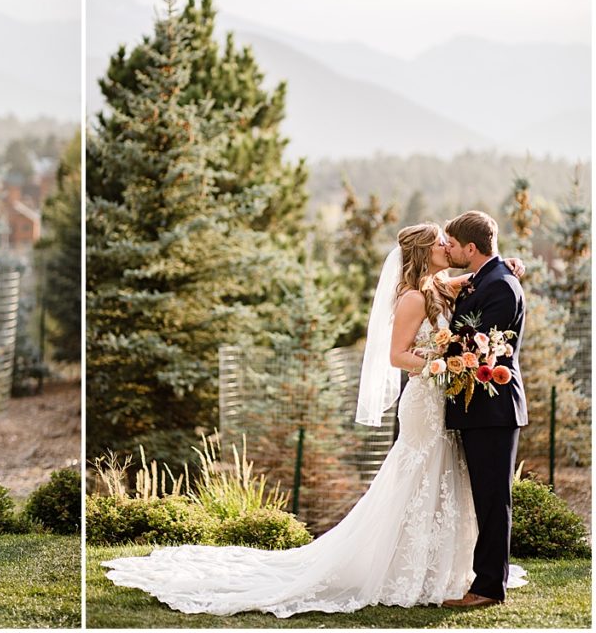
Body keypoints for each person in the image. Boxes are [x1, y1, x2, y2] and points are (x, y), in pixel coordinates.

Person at [102, 222, 526, 618]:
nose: (445, 247)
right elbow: (397, 355)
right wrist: (437, 362)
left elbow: (481, 279)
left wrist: (507, 264)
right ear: (422, 251)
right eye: (438, 242)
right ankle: (403, 566)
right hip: (425, 397)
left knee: (443, 479)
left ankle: (441, 567)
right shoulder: (413, 297)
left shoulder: (435, 286)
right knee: (417, 476)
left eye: (448, 241)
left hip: (444, 401)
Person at [441, 210, 528, 609]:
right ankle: (484, 577)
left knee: (494, 500)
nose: (449, 250)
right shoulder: (487, 278)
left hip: (494, 411)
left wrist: (439, 350)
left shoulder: (502, 286)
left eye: (453, 245)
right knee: (484, 498)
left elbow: (478, 347)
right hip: (478, 412)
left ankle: (490, 587)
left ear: (471, 248)